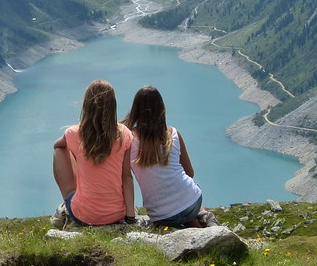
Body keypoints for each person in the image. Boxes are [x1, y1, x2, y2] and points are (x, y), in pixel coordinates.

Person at [122, 85, 216, 228]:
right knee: (187, 202)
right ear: (161, 107)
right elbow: (190, 172)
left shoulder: (128, 139)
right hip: (192, 203)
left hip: (160, 215)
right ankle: (203, 219)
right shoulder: (173, 134)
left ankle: (195, 224)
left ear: (135, 109)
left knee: (177, 212)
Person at [52, 79, 136, 226]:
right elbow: (126, 176)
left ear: (86, 105)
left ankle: (71, 202)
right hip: (116, 213)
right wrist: (130, 217)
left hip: (84, 215)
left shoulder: (74, 133)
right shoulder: (124, 134)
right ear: (113, 105)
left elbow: (57, 145)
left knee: (60, 151)